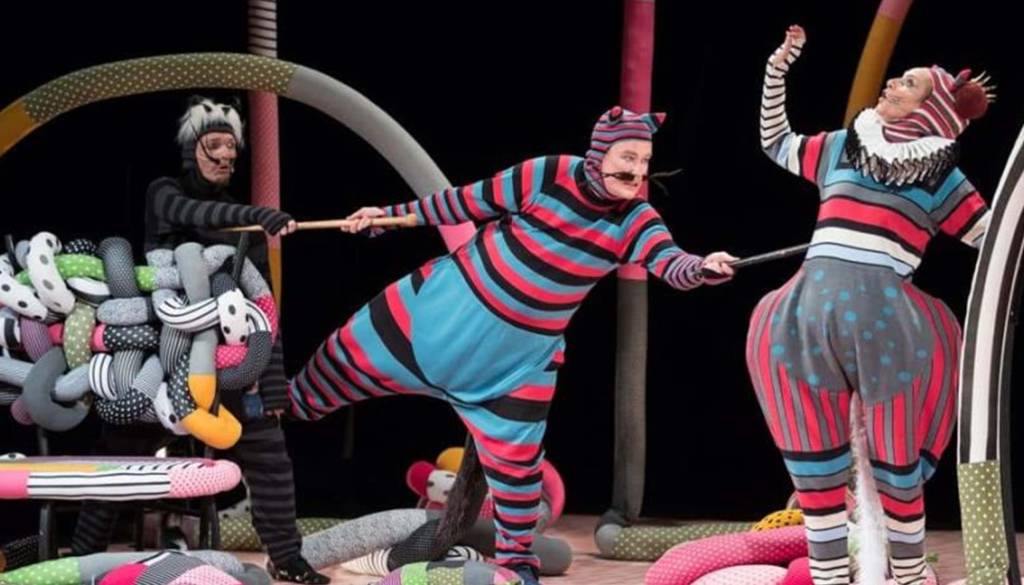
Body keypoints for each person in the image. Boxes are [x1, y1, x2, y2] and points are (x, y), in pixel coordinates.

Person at [288, 106, 736, 584]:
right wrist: (391, 217)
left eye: (645, 162)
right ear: (600, 154)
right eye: (629, 158)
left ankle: (516, 565)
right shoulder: (547, 175)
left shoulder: (636, 220)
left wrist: (701, 268)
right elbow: (464, 202)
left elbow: (671, 263)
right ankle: (271, 414)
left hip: (512, 369)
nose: (638, 172)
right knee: (321, 379)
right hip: (434, 319)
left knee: (519, 471)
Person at [747, 25, 993, 585]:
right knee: (815, 471)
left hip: (889, 332)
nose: (892, 84)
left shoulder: (941, 177)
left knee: (895, 470)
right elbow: (776, 142)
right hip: (806, 319)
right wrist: (776, 71)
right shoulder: (841, 146)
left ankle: (907, 575)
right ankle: (831, 577)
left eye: (908, 84)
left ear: (930, 111)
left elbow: (991, 236)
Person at [72, 96, 328, 585]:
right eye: (216, 145)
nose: (227, 156)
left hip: (226, 363)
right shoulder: (166, 194)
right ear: (193, 149)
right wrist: (259, 214)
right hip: (163, 359)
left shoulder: (246, 226)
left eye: (232, 148)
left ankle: (287, 559)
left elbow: (263, 309)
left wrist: (272, 389)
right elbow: (192, 212)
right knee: (119, 457)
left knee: (270, 456)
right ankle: (82, 554)